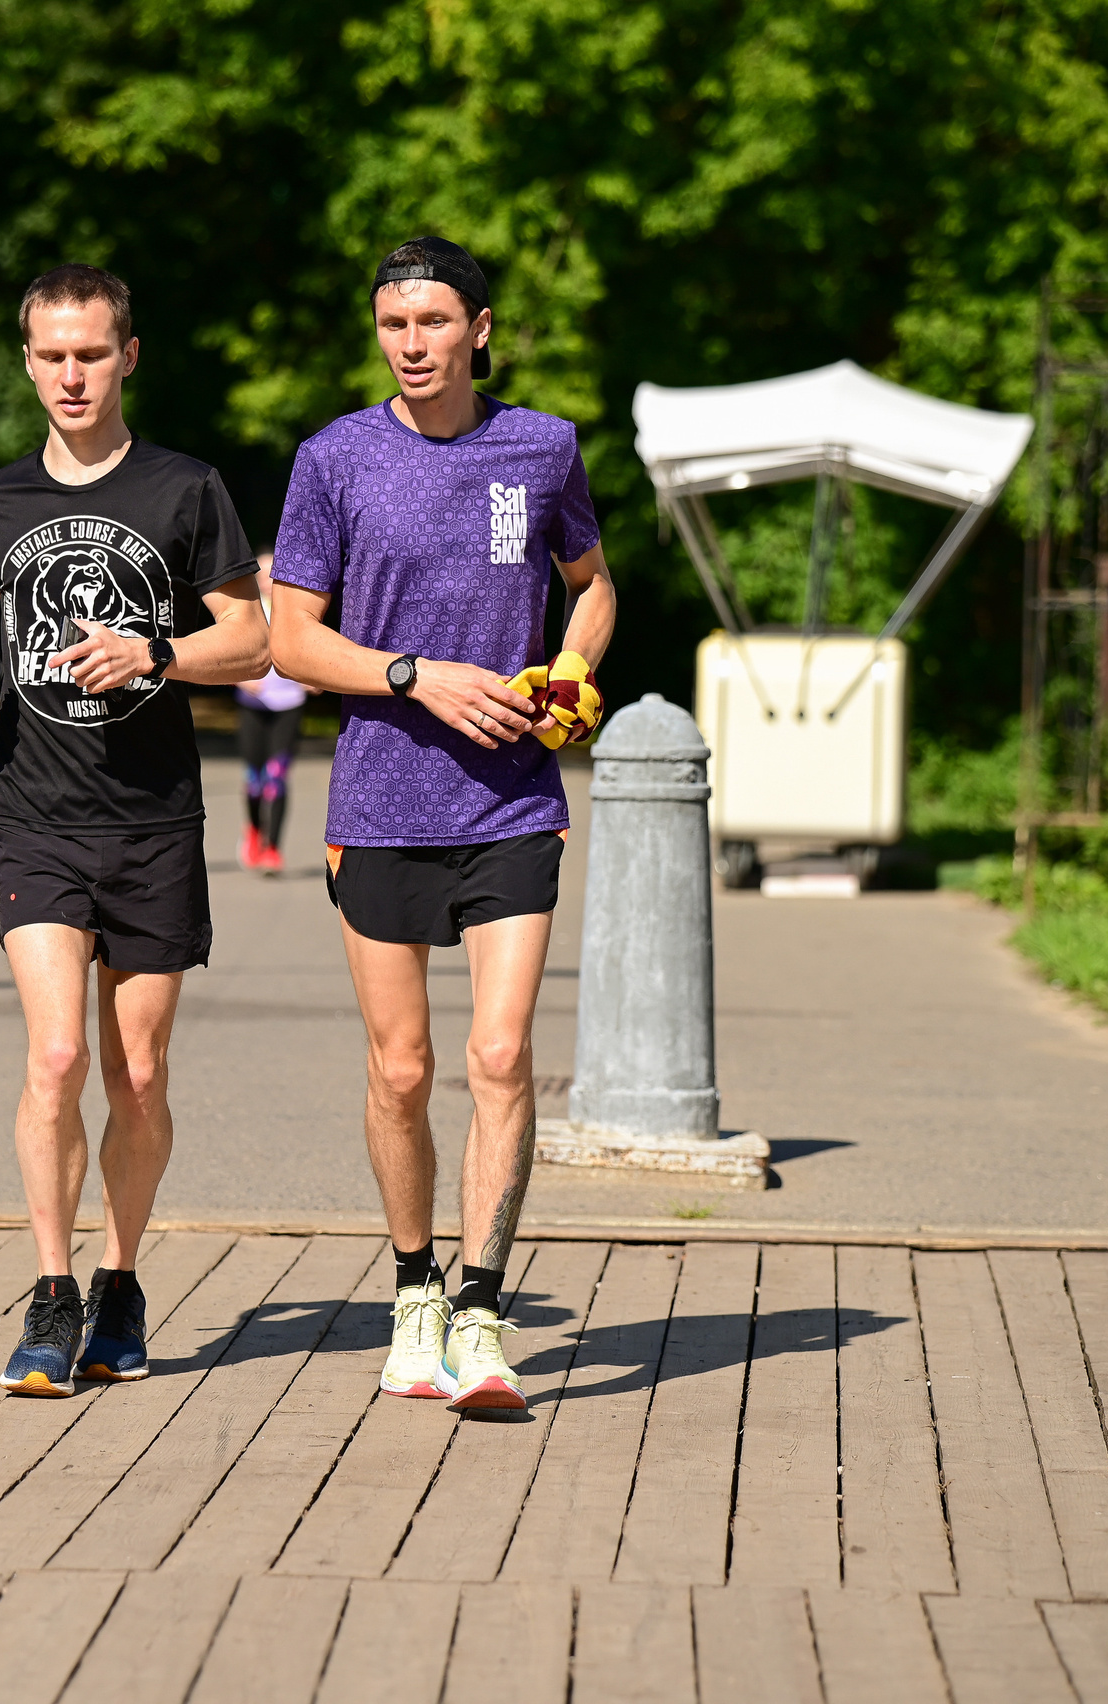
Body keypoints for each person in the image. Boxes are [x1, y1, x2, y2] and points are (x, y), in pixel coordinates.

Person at [268, 237, 616, 1414]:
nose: (410, 345)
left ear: (478, 327)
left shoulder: (543, 445)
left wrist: (570, 668)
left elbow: (595, 582)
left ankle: (479, 1308)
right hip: (379, 800)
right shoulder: (334, 460)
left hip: (512, 797)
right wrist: (416, 676)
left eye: (430, 323)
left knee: (502, 1055)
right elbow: (291, 640)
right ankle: (412, 1287)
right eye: (390, 326)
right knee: (404, 1069)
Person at [0, 263, 269, 1396]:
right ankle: (52, 1291)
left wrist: (154, 652)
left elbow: (254, 638)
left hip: (155, 818)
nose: (70, 375)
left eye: (90, 353)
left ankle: (121, 1280)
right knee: (56, 1055)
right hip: (33, 812)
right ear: (25, 361)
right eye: (50, 355)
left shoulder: (185, 489)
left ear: (128, 355)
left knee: (136, 1072)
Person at [233, 549, 310, 875]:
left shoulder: (293, 611)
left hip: (289, 704)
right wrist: (240, 679)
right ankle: (253, 829)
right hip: (254, 707)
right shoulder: (247, 612)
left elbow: (311, 647)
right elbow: (229, 650)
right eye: (261, 572)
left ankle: (273, 849)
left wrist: (314, 676)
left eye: (272, 572)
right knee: (254, 781)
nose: (267, 578)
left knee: (276, 778)